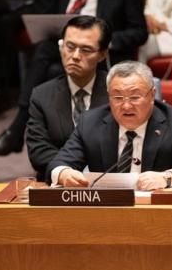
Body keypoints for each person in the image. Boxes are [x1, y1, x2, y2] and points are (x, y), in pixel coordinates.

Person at [0, 0, 148, 155]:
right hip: (63, 49)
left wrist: (104, 42)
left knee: (51, 68)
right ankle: (50, 140)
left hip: (100, 54)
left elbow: (139, 31)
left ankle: (18, 127)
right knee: (47, 54)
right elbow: (50, 19)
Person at [48, 61, 172, 189]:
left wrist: (167, 178)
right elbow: (57, 165)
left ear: (152, 95)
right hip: (106, 210)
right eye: (117, 98)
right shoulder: (90, 122)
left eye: (134, 97)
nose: (126, 106)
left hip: (159, 212)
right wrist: (64, 173)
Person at [23, 16, 111, 180]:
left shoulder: (115, 92)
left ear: (102, 54)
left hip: (107, 182)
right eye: (70, 47)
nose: (75, 56)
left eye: (86, 50)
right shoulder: (42, 95)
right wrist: (63, 170)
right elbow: (38, 150)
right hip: (58, 183)